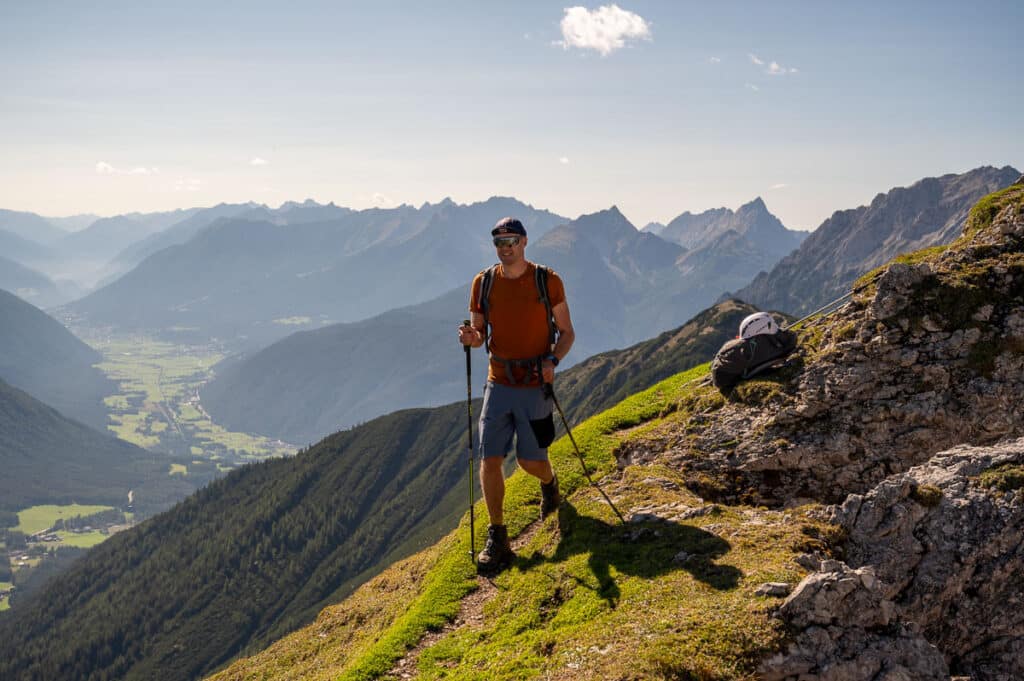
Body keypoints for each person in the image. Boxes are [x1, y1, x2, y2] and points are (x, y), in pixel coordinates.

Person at [458, 216, 576, 572]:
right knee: (490, 458)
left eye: (511, 241)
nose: (505, 248)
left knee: (529, 461)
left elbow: (567, 332)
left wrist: (553, 360)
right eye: (499, 243)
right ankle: (498, 535)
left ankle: (549, 483)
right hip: (498, 382)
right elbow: (479, 334)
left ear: (524, 242)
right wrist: (471, 338)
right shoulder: (483, 283)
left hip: (534, 385)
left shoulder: (547, 280)